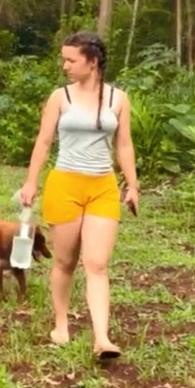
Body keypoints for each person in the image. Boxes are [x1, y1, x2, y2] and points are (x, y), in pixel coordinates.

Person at [18, 31, 139, 361]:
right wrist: (31, 183)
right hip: (65, 184)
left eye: (71, 60)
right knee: (65, 261)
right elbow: (43, 142)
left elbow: (124, 145)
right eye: (64, 59)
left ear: (92, 61)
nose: (65, 65)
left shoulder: (118, 98)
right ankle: (61, 324)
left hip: (102, 186)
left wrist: (132, 185)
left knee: (97, 264)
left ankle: (102, 338)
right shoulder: (61, 98)